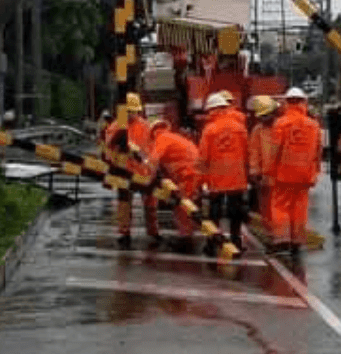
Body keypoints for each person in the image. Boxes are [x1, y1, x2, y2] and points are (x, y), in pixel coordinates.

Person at [268, 86, 322, 258]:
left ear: (287, 102)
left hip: (284, 174)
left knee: (280, 207)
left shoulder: (281, 123)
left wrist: (269, 171)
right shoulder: (313, 125)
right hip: (305, 175)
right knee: (300, 208)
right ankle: (297, 241)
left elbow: (275, 150)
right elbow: (318, 152)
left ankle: (282, 240)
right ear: (303, 102)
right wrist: (315, 172)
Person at [104, 92, 161, 250]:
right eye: (128, 111)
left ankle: (153, 231)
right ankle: (124, 233)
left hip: (143, 171)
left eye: (133, 111)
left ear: (138, 111)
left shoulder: (145, 126)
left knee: (150, 204)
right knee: (124, 203)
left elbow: (154, 148)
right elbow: (108, 148)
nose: (131, 114)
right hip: (124, 170)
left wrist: (153, 166)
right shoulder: (116, 127)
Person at [197, 91, 249, 253]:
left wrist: (201, 179)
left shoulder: (209, 129)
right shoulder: (240, 127)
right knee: (235, 210)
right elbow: (247, 152)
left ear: (212, 109)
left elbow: (203, 156)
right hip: (236, 176)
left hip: (216, 176)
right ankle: (236, 240)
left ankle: (211, 243)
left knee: (214, 211)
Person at [147, 118, 202, 252]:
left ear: (153, 132)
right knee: (184, 206)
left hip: (188, 175)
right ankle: (185, 237)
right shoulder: (174, 138)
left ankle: (185, 240)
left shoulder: (162, 139)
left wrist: (148, 179)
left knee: (182, 207)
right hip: (193, 173)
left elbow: (154, 161)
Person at [247, 94, 279, 226]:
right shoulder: (258, 130)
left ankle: (278, 231)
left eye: (266, 115)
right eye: (262, 116)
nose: (264, 119)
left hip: (281, 177)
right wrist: (255, 172)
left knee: (279, 208)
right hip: (266, 178)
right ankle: (269, 229)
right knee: (266, 207)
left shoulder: (282, 127)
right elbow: (254, 152)